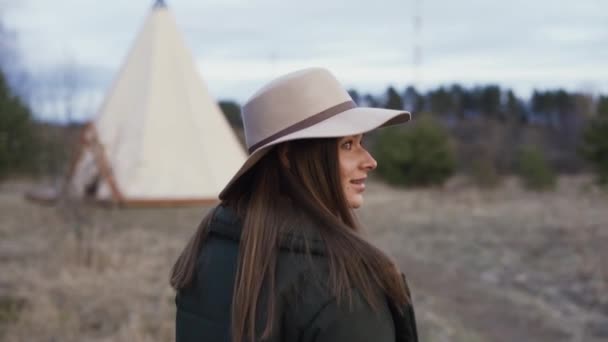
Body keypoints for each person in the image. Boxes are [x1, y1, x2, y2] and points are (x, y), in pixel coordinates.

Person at [170, 67, 418, 342]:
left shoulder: (208, 247)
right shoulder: (341, 286)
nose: (370, 161)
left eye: (361, 142)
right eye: (347, 145)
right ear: (288, 157)